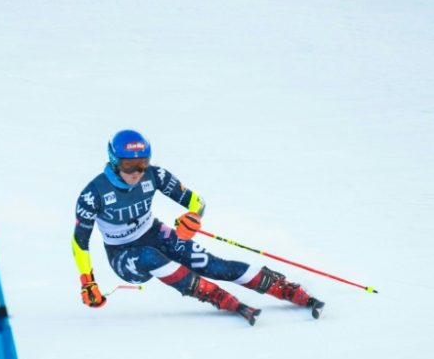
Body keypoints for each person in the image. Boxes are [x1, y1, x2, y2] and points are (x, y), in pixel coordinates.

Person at [71, 129, 324, 325]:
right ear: (115, 162)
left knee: (211, 264)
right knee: (150, 257)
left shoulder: (154, 176)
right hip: (122, 255)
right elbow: (80, 241)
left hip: (154, 233)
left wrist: (192, 219)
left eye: (143, 163)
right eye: (129, 165)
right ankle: (215, 295)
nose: (137, 172)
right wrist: (87, 281)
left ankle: (286, 289)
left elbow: (196, 202)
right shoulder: (94, 194)